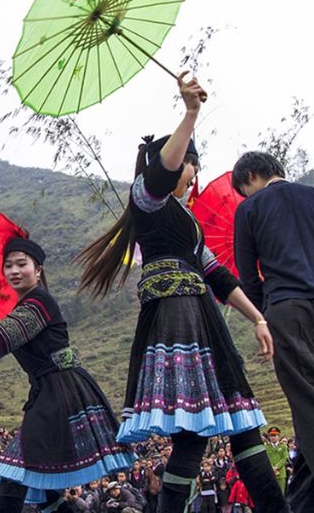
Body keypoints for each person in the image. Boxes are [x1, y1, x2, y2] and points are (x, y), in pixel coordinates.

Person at [76, 73, 288, 513]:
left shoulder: (186, 224)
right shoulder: (147, 200)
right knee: (193, 436)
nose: (193, 173)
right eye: (191, 164)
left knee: (237, 431)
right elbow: (160, 173)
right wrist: (190, 113)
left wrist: (259, 318)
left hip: (204, 322)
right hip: (176, 320)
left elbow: (219, 278)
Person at [0, 236, 134, 513]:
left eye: (22, 264)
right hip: (49, 394)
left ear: (38, 270)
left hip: (61, 394)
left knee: (15, 475)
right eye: (8, 266)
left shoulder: (39, 302)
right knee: (43, 484)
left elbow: (0, 337)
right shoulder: (24, 307)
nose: (14, 271)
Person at [231, 150, 314, 512]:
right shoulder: (311, 195)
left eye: (242, 189)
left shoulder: (249, 210)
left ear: (250, 175)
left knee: (307, 401)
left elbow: (248, 275)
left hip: (286, 309)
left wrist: (262, 314)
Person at [263, 427, 289, 495]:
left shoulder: (283, 446)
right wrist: (271, 466)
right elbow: (265, 458)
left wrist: (276, 467)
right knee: (271, 494)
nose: (273, 437)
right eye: (271, 435)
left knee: (281, 493)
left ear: (278, 436)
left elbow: (285, 458)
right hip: (270, 473)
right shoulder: (266, 447)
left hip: (280, 473)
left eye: (275, 435)